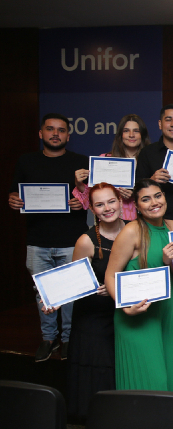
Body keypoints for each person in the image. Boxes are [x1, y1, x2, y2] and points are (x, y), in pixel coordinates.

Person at [9, 113, 88, 362]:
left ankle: (67, 339)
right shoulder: (26, 161)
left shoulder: (80, 162)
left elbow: (91, 200)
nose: (56, 134)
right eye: (51, 129)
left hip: (70, 240)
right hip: (37, 241)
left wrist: (81, 201)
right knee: (42, 293)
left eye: (62, 130)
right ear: (41, 133)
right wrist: (13, 199)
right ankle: (48, 338)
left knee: (71, 294)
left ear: (68, 135)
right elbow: (16, 193)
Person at [42, 183, 124, 418]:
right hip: (93, 322)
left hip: (125, 316)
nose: (107, 208)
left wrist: (114, 289)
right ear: (92, 209)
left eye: (111, 201)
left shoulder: (133, 231)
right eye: (99, 204)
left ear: (120, 201)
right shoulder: (86, 241)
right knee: (97, 379)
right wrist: (53, 300)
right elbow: (72, 282)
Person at [105, 179, 173, 392]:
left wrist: (170, 262)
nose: (154, 203)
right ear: (137, 206)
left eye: (158, 196)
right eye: (145, 199)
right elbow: (110, 276)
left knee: (166, 379)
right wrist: (125, 306)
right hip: (137, 314)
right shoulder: (132, 231)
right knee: (151, 382)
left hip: (165, 312)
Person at [73, 114, 151, 220]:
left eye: (136, 131)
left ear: (142, 134)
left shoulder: (149, 161)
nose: (131, 135)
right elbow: (91, 197)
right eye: (126, 131)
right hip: (110, 221)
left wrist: (135, 194)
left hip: (143, 221)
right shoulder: (105, 159)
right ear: (120, 135)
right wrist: (79, 183)